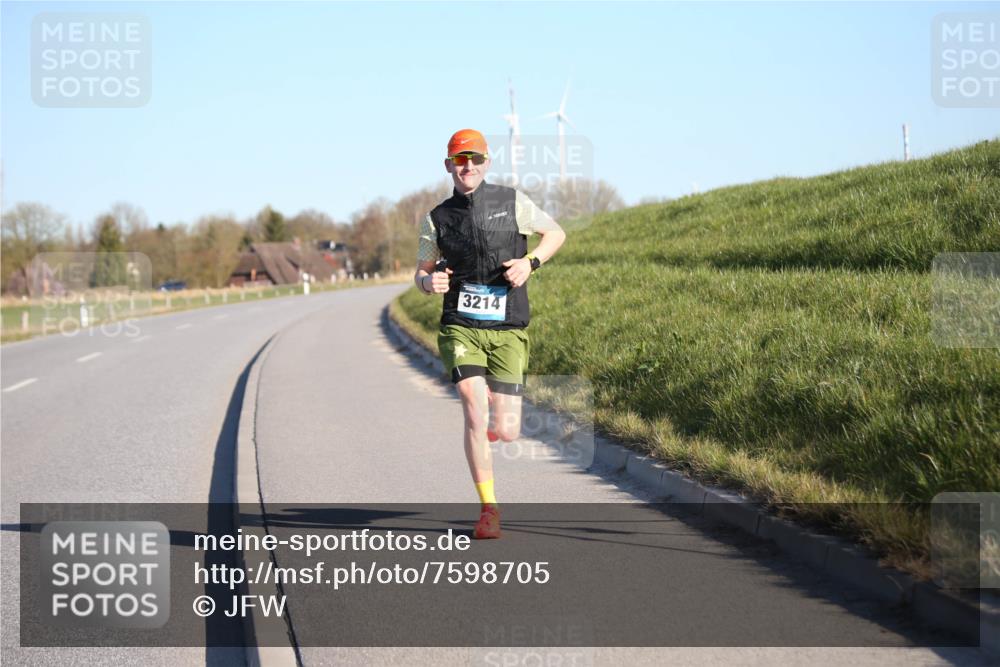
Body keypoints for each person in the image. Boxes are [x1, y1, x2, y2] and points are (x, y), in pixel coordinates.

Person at [414, 129, 566, 539]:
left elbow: (556, 234)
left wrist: (530, 263)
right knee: (473, 407)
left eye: (475, 159)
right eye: (460, 160)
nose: (468, 166)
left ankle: (499, 426)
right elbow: (423, 271)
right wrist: (428, 284)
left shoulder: (512, 201)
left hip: (508, 328)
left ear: (487, 163)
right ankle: (489, 509)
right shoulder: (437, 218)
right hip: (461, 326)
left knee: (509, 428)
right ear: (448, 165)